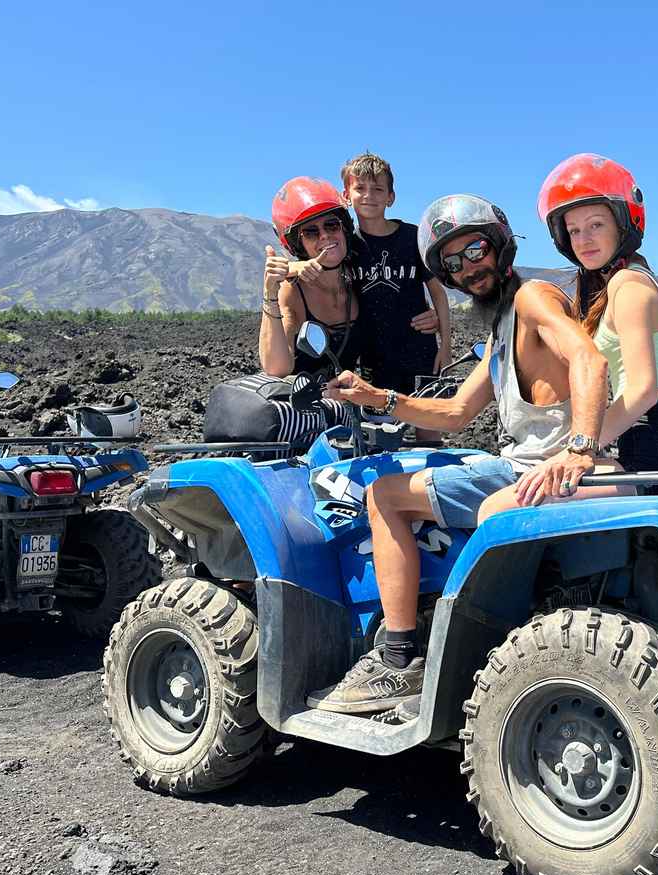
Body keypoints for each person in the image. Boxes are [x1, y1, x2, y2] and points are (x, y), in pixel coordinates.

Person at [306, 194, 613, 713]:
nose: (468, 268)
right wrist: (376, 397)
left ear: (499, 246)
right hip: (525, 461)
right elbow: (453, 414)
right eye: (452, 262)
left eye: (474, 250)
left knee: (384, 497)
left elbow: (589, 360)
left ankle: (397, 658)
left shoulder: (534, 298)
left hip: (537, 466)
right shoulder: (502, 327)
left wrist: (580, 449)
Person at [482, 153, 658, 517]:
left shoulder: (630, 286)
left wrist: (579, 449)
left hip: (656, 448)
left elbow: (642, 391)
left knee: (498, 510)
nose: (584, 239)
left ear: (623, 225)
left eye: (595, 225)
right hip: (649, 442)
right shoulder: (615, 286)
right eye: (574, 230)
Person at [341, 153, 452, 441]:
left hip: (420, 352)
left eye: (378, 189)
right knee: (381, 441)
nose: (369, 196)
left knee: (430, 437)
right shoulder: (346, 247)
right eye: (360, 188)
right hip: (373, 358)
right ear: (346, 195)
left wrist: (445, 344)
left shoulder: (412, 237)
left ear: (391, 197)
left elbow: (438, 293)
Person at [260, 176, 363, 377]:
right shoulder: (293, 291)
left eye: (332, 225)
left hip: (354, 401)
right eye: (310, 232)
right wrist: (270, 292)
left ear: (345, 228)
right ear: (298, 245)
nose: (324, 235)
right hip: (306, 405)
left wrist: (432, 318)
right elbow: (276, 368)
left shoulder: (360, 274)